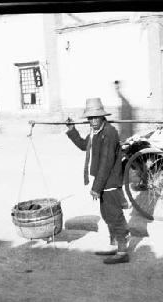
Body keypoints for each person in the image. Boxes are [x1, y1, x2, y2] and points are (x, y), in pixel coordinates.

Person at [66, 97, 130, 264]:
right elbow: (83, 145)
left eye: (96, 117)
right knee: (106, 214)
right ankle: (116, 247)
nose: (93, 121)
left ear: (102, 117)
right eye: (90, 118)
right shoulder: (96, 132)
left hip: (111, 181)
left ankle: (123, 252)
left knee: (115, 215)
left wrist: (96, 187)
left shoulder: (109, 133)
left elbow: (106, 163)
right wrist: (72, 130)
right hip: (103, 180)